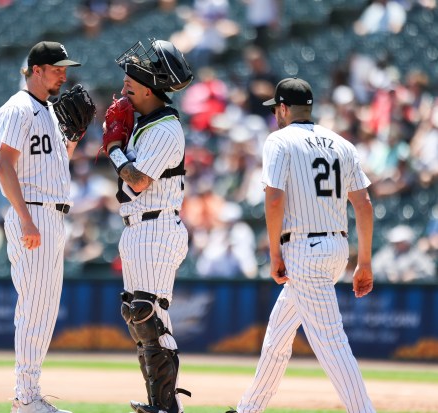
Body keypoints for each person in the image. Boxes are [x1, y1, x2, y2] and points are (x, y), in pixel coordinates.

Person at [225, 78, 376, 413]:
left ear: (282, 108)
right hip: (336, 249)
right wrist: (363, 262)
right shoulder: (341, 143)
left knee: (332, 344)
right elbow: (364, 205)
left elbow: (274, 198)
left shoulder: (279, 141)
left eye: (275, 109)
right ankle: (248, 409)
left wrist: (276, 253)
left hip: (303, 251)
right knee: (277, 338)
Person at [101, 39, 194, 413]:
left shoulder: (165, 129)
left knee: (147, 312)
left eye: (132, 80)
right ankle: (161, 403)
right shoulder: (145, 124)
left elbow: (138, 182)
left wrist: (113, 149)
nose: (125, 84)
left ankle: (167, 407)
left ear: (151, 86)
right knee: (137, 314)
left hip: (157, 227)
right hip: (139, 228)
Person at [0, 41, 83, 413]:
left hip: (49, 212)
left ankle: (27, 394)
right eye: (56, 67)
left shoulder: (46, 109)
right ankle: (26, 398)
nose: (63, 73)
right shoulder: (18, 108)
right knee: (37, 307)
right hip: (33, 212)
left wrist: (75, 136)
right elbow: (3, 166)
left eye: (64, 67)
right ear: (35, 70)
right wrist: (27, 219)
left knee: (40, 307)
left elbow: (57, 164)